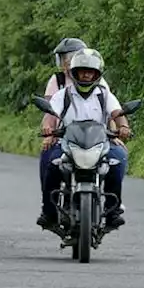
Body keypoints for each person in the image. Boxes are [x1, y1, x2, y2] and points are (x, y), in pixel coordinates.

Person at [38, 48, 132, 230]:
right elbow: (50, 115)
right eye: (83, 71)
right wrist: (48, 129)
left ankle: (113, 211)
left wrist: (124, 127)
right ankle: (49, 211)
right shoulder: (62, 95)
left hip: (100, 144)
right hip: (67, 144)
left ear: (97, 74)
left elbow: (117, 113)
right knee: (51, 163)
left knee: (118, 159)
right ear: (74, 72)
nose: (86, 76)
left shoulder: (104, 95)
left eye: (90, 72)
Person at [40, 37, 110, 139]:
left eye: (66, 58)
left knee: (119, 153)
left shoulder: (96, 80)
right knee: (47, 153)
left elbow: (109, 108)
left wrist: (115, 133)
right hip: (63, 136)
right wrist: (49, 131)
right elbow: (50, 110)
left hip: (97, 137)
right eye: (62, 58)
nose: (63, 63)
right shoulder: (58, 80)